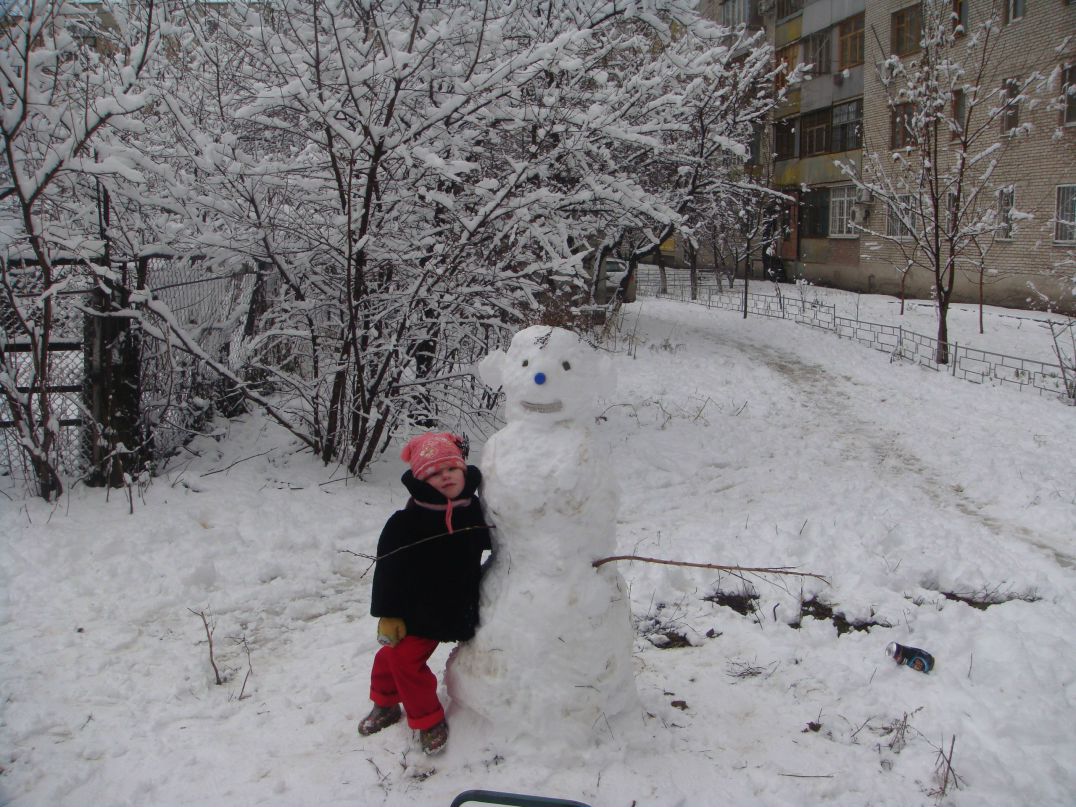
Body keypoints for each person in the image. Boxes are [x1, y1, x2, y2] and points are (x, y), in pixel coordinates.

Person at [358, 432, 492, 755]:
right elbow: (387, 572)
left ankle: (390, 702)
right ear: (420, 479)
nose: (444, 476)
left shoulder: (475, 512)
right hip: (417, 612)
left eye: (450, 468)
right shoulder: (406, 523)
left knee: (396, 657)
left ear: (463, 470)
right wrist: (388, 615)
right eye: (433, 472)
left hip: (457, 607)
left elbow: (499, 540)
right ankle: (424, 718)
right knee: (398, 656)